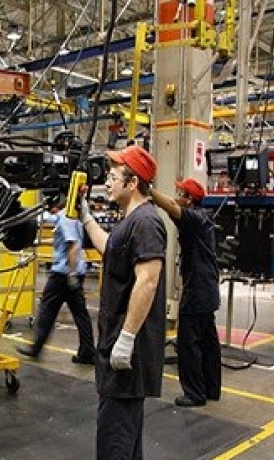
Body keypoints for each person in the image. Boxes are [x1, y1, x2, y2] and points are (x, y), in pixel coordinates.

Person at [80, 144, 167, 459]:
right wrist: (87, 218)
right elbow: (111, 249)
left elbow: (148, 280)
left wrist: (127, 338)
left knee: (115, 440)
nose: (107, 182)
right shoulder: (131, 220)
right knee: (124, 438)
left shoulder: (146, 222)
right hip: (116, 344)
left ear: (133, 183)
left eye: (113, 177)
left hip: (127, 350)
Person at [150, 177, 221, 407]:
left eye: (181, 193)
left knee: (188, 344)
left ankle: (194, 393)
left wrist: (147, 189)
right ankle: (211, 388)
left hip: (198, 291)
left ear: (189, 199)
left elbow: (170, 206)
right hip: (208, 289)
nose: (177, 197)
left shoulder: (194, 219)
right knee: (208, 342)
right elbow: (171, 205)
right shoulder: (202, 218)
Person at [16, 194, 96, 364]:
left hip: (63, 274)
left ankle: (36, 348)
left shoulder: (66, 217)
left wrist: (71, 275)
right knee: (80, 314)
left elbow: (73, 245)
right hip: (74, 272)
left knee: (47, 310)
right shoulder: (73, 216)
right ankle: (87, 352)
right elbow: (49, 221)